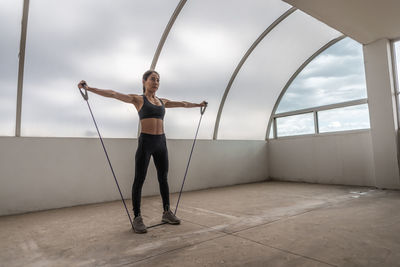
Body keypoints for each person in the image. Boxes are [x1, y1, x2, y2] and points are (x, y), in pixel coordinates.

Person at [78, 70, 207, 233]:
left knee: (163, 178)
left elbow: (183, 103)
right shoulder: (138, 99)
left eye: (158, 80)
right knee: (139, 179)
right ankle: (137, 217)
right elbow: (113, 94)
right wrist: (88, 88)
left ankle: (167, 212)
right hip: (146, 142)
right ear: (144, 81)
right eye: (153, 79)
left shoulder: (163, 101)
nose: (156, 82)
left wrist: (199, 105)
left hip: (161, 142)